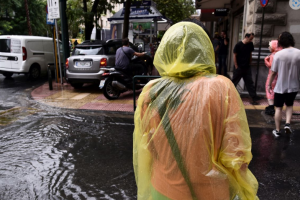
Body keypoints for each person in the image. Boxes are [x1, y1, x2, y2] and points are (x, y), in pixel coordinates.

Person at [133, 21, 258, 200]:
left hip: (161, 189)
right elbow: (238, 156)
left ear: (166, 51)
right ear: (204, 49)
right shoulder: (221, 88)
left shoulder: (151, 92)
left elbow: (149, 146)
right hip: (212, 193)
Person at [268, 32, 300, 138]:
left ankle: (277, 130)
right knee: (290, 105)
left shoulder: (278, 54)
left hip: (280, 86)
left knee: (278, 108)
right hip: (294, 85)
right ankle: (287, 124)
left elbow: (273, 72)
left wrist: (269, 84)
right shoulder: (298, 53)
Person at [232, 33, 262, 104]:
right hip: (239, 67)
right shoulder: (238, 45)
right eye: (250, 38)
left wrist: (250, 62)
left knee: (249, 82)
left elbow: (250, 53)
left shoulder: (250, 45)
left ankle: (254, 97)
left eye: (252, 39)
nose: (251, 40)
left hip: (247, 67)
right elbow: (235, 55)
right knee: (234, 82)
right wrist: (236, 66)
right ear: (246, 37)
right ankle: (228, 95)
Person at [264, 40, 282, 116]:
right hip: (280, 77)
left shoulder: (273, 55)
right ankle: (275, 106)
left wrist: (266, 60)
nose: (269, 48)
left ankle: (271, 107)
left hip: (272, 76)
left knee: (269, 90)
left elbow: (271, 66)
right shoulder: (280, 55)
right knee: (275, 91)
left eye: (270, 46)